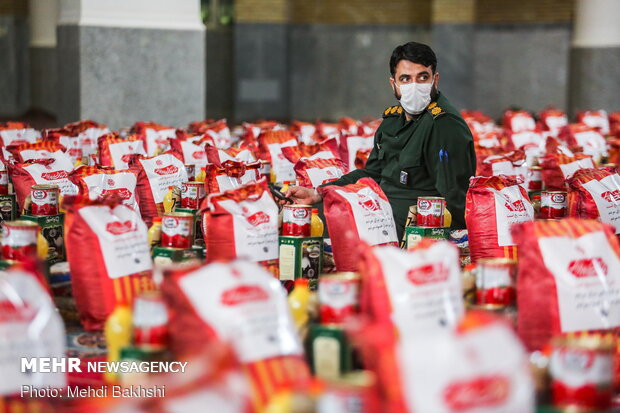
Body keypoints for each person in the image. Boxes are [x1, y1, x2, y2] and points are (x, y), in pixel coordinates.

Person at [286, 41, 476, 240]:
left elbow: (456, 199)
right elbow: (372, 174)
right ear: (393, 83)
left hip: (409, 226)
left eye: (422, 78)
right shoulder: (393, 121)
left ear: (435, 80)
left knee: (312, 224)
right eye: (405, 79)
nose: (415, 86)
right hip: (378, 211)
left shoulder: (444, 124)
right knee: (300, 214)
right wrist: (318, 193)